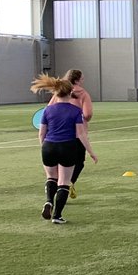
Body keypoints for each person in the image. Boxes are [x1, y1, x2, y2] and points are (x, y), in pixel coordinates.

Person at [32, 74, 98, 224]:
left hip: (48, 146)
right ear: (70, 93)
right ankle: (57, 216)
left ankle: (49, 201)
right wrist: (91, 152)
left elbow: (41, 132)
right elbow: (81, 134)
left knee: (51, 178)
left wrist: (45, 146)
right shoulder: (75, 111)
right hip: (67, 147)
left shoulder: (47, 110)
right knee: (64, 182)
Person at [48, 69, 93, 198]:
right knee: (79, 161)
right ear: (77, 79)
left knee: (57, 165)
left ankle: (53, 192)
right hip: (77, 134)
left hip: (57, 134)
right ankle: (68, 184)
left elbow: (49, 109)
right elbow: (88, 114)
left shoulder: (59, 92)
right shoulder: (83, 93)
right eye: (82, 78)